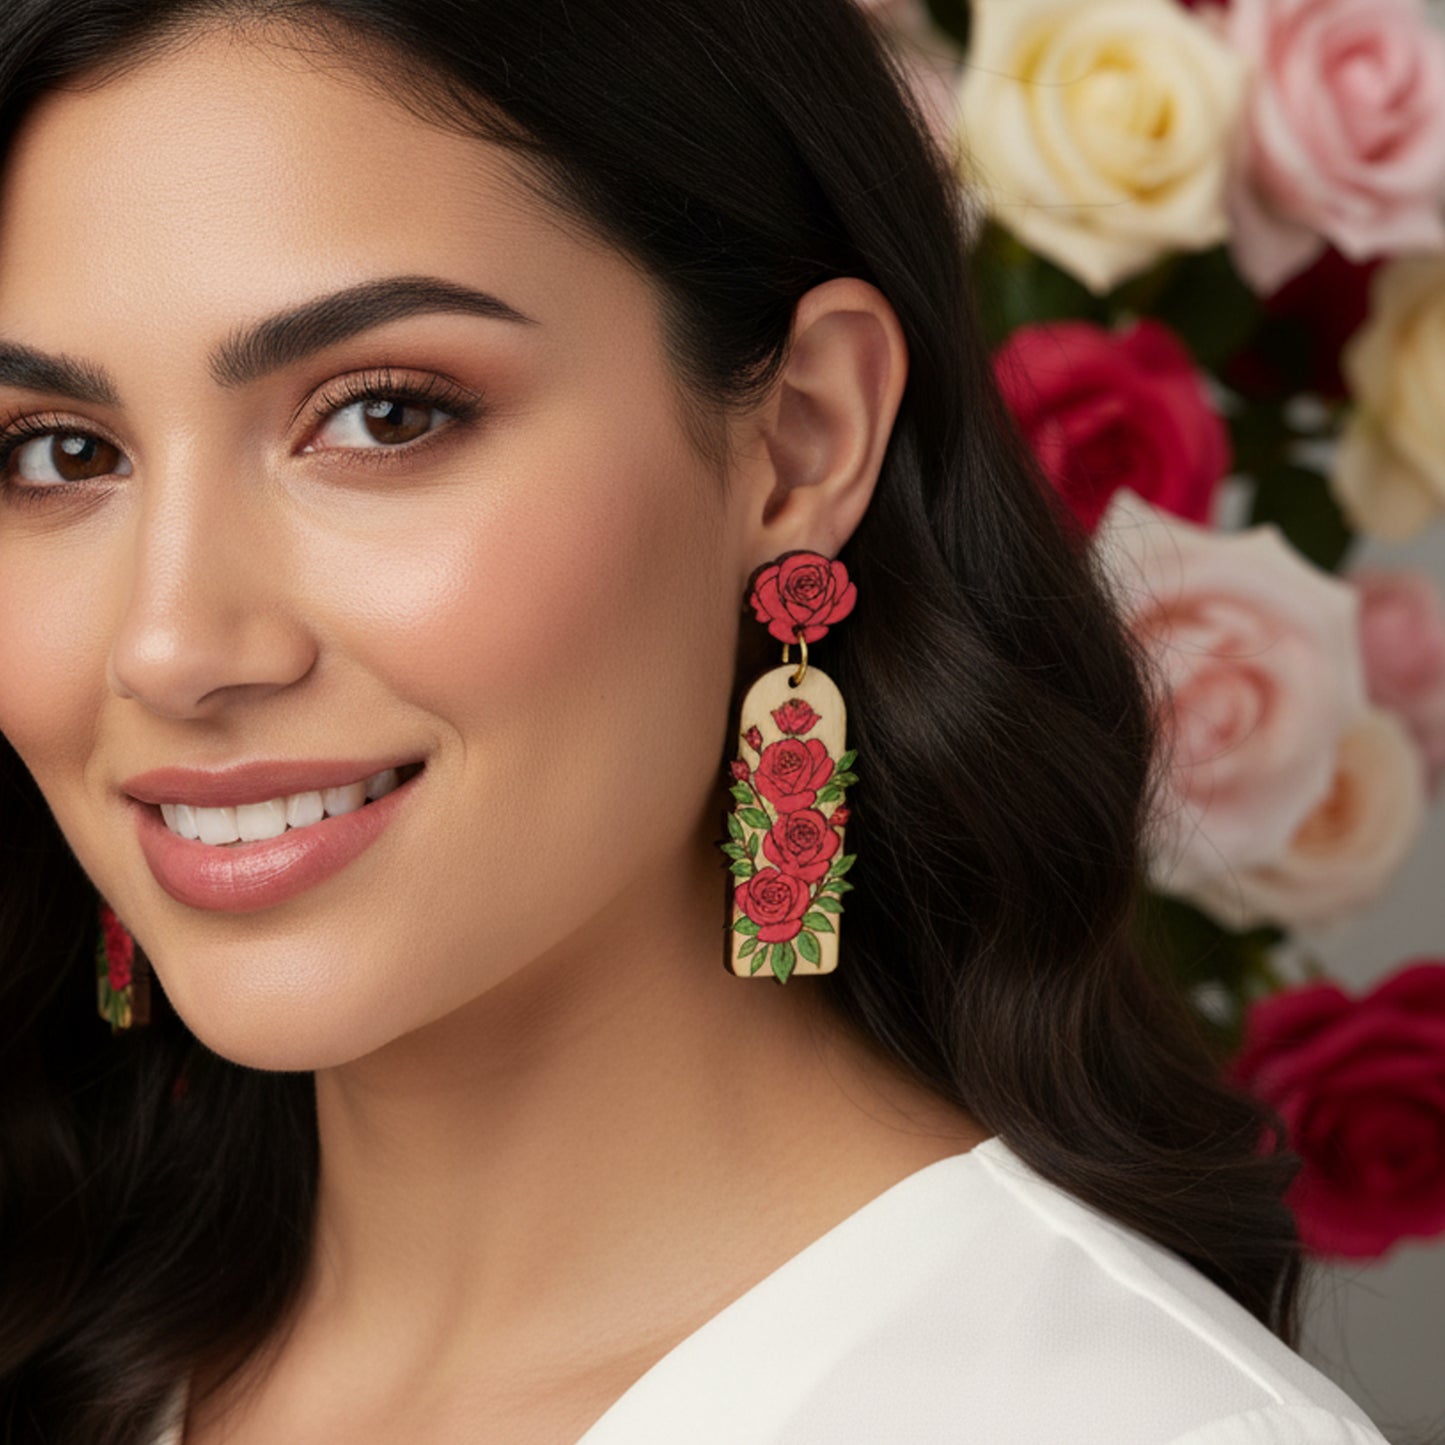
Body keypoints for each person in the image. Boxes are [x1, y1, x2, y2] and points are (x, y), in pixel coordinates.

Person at [0, 1, 1402, 1442]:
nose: (169, 646)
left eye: (383, 417)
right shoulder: (66, 1335)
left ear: (802, 435)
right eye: (60, 453)